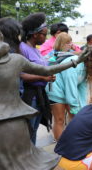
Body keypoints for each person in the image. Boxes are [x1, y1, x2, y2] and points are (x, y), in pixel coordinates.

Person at [0, 23, 89, 170]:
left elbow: (47, 70)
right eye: (43, 33)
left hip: (20, 109)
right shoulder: (17, 57)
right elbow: (45, 71)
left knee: (25, 147)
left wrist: (75, 61)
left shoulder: (16, 59)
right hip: (20, 106)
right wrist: (74, 62)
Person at [46, 45, 92, 140]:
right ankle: (61, 147)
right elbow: (70, 87)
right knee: (60, 120)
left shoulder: (87, 66)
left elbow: (81, 87)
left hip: (67, 90)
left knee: (76, 117)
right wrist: (75, 107)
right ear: (90, 58)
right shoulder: (74, 65)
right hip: (56, 91)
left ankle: (73, 142)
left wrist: (83, 108)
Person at [19, 13, 56, 144]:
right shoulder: (22, 49)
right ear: (35, 34)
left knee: (34, 129)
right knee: (27, 132)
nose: (46, 38)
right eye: (44, 34)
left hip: (40, 95)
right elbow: (21, 75)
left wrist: (49, 76)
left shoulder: (36, 50)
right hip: (29, 97)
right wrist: (42, 77)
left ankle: (32, 157)